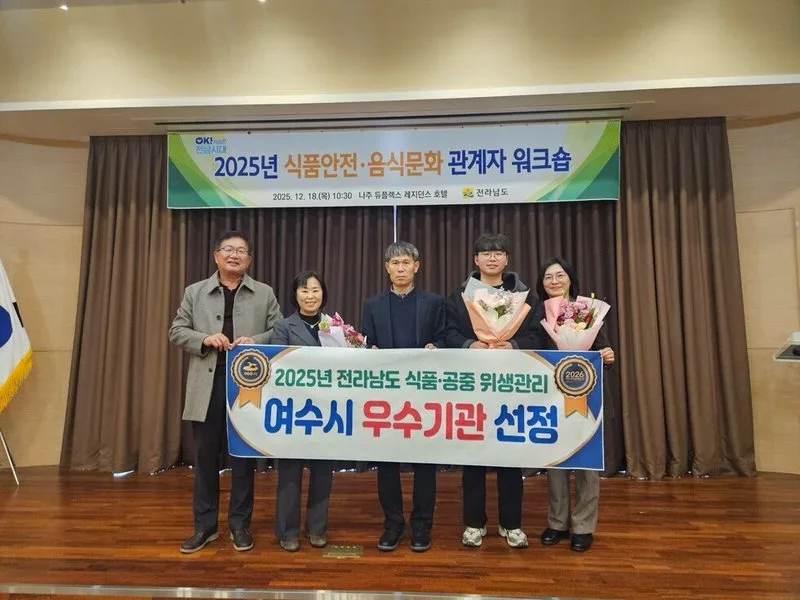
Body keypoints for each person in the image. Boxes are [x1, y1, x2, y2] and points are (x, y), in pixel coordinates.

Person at [169, 231, 282, 554]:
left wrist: (256, 340)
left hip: (247, 386)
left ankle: (239, 525)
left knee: (243, 459)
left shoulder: (264, 293)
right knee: (205, 459)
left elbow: (280, 330)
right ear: (216, 255)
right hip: (206, 385)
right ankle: (204, 527)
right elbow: (176, 330)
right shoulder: (195, 292)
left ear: (249, 260)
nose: (235, 255)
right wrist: (204, 339)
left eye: (241, 251)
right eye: (228, 249)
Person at [444, 233, 545, 549]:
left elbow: (538, 336)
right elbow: (447, 332)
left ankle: (511, 524)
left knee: (510, 456)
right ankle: (474, 524)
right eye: (485, 253)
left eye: (498, 252)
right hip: (472, 387)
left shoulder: (525, 299)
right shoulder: (459, 296)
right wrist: (468, 344)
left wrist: (513, 344)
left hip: (510, 388)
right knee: (473, 458)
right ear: (476, 260)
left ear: (506, 259)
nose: (492, 258)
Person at [361, 241, 446, 553]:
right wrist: (368, 349)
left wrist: (436, 347)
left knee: (425, 462)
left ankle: (422, 525)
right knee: (387, 462)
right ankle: (392, 524)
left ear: (416, 266)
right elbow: (365, 341)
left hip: (424, 393)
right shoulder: (372, 305)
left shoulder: (434, 303)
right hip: (386, 395)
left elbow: (444, 337)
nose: (400, 268)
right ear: (387, 268)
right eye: (395, 263)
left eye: (406, 263)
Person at [535, 257, 615, 553]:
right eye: (548, 277)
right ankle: (557, 522)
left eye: (560, 275)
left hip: (586, 397)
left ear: (570, 278)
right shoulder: (536, 313)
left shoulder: (587, 310)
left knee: (586, 462)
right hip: (549, 397)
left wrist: (607, 355)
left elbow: (602, 350)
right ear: (542, 283)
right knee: (556, 461)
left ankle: (583, 526)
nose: (554, 281)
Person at [270, 271, 335, 552]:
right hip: (294, 409)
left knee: (323, 472)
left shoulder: (335, 327)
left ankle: (317, 528)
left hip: (327, 410)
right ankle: (287, 531)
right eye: (304, 290)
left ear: (323, 294)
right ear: (295, 295)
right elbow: (278, 367)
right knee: (290, 473)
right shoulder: (283, 327)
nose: (310, 296)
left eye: (315, 290)